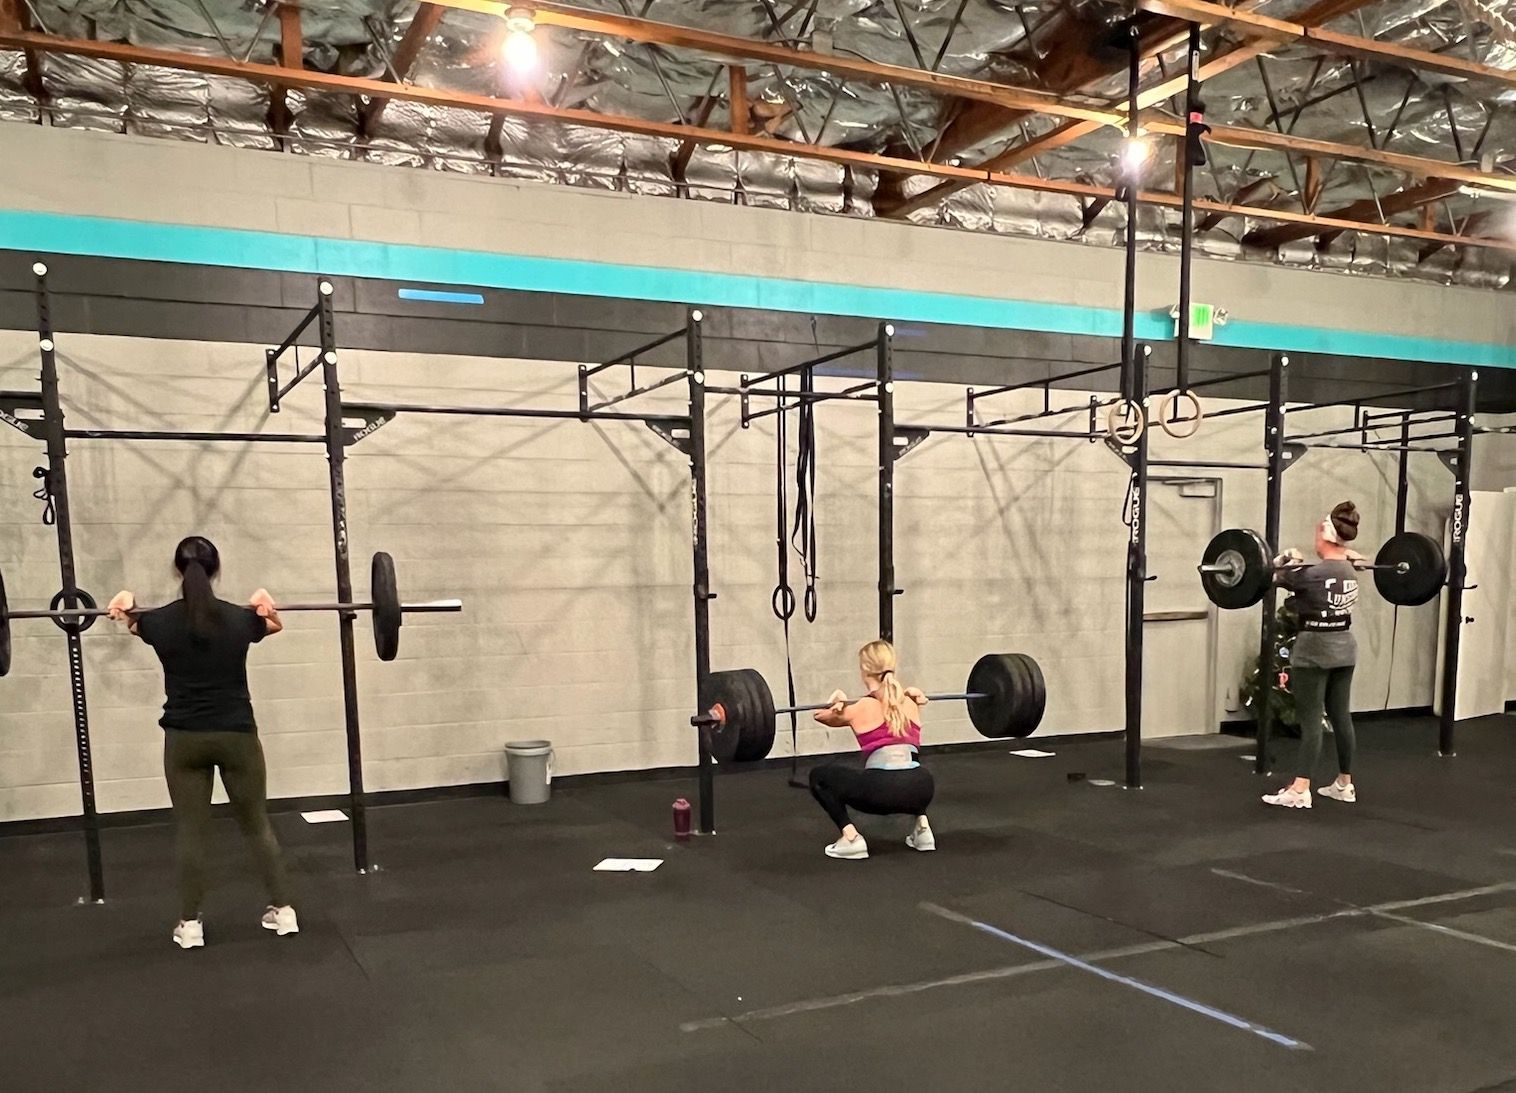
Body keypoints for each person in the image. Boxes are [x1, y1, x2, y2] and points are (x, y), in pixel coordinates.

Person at [107, 536, 298, 949]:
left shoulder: (159, 622)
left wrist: (125, 600)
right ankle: (283, 912)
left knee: (192, 832)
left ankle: (190, 925)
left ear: (177, 572)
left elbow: (130, 618)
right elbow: (274, 624)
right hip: (237, 736)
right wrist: (264, 599)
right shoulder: (239, 620)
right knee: (257, 825)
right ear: (216, 571)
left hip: (185, 740)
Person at [1262, 501, 1361, 810]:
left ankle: (1300, 788)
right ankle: (1345, 783)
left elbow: (1268, 575)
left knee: (1310, 722)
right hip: (1344, 650)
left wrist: (1284, 560)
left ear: (1324, 534)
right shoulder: (1351, 570)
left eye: (1317, 533)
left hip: (1313, 654)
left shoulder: (1311, 575)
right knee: (1341, 717)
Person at [807, 639, 936, 860]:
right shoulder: (911, 702)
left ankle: (850, 839)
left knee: (818, 776)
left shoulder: (860, 708)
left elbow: (820, 716)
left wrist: (838, 702)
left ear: (864, 671)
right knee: (907, 768)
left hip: (880, 793)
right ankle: (923, 830)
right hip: (922, 789)